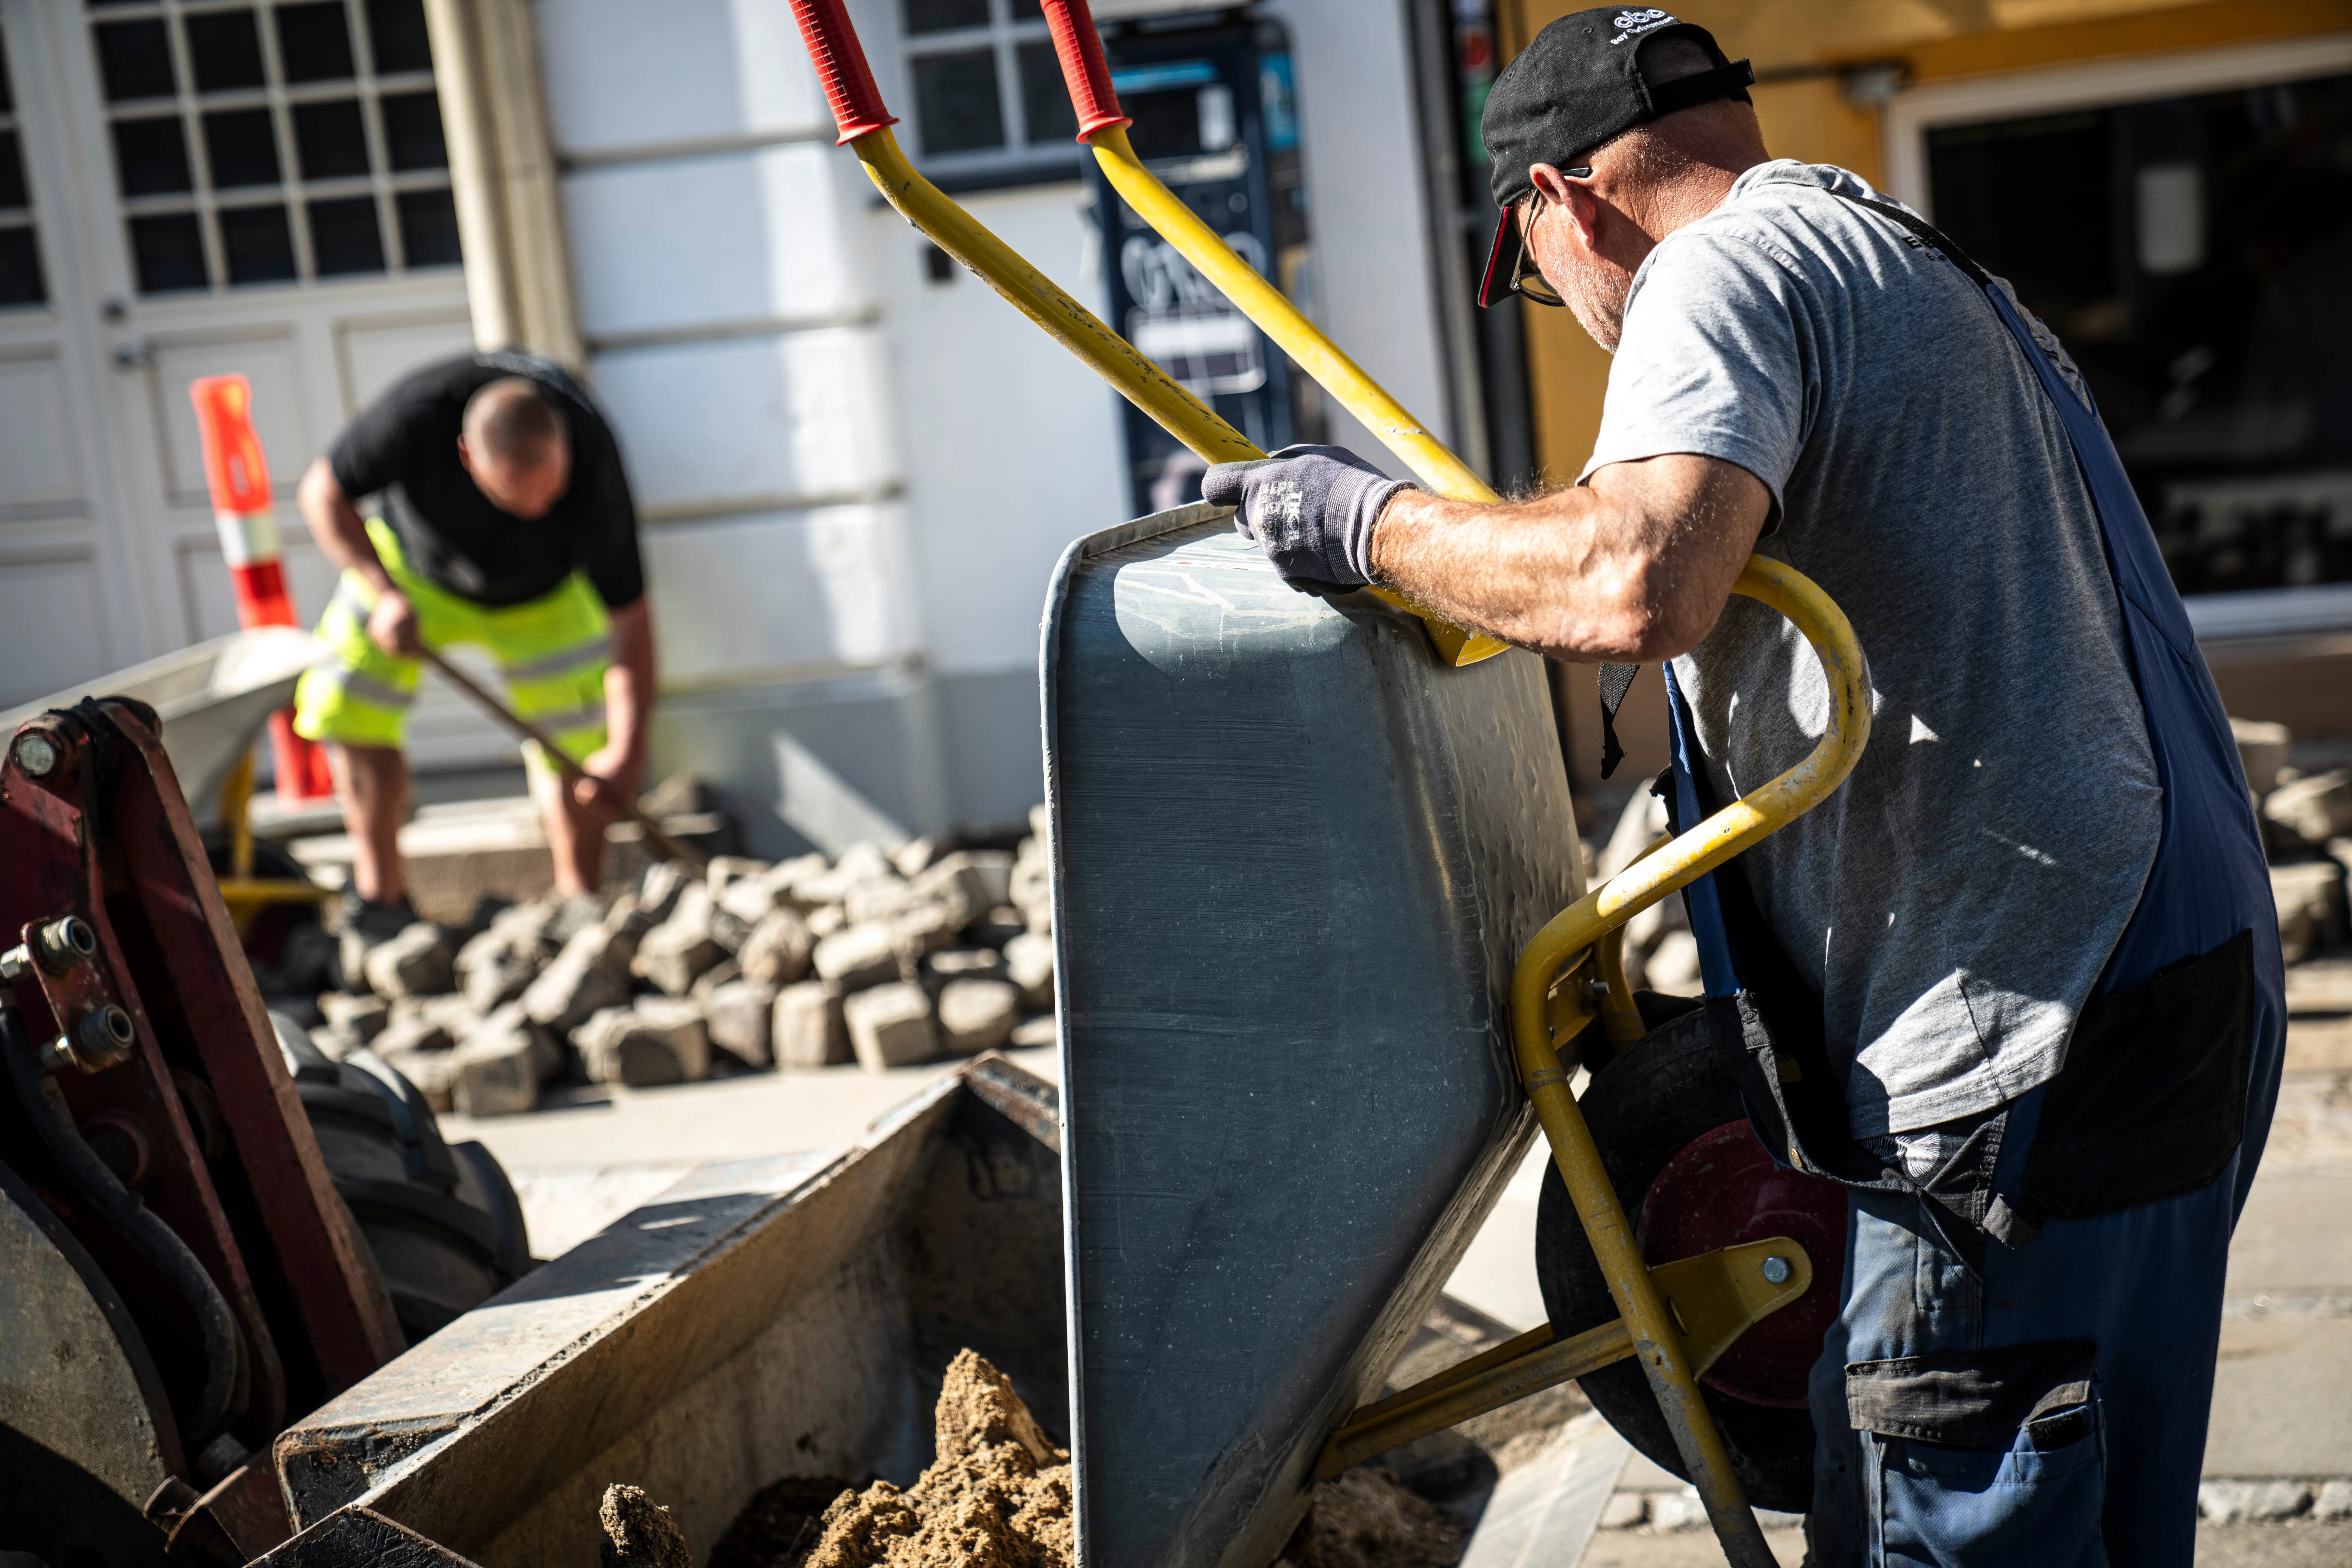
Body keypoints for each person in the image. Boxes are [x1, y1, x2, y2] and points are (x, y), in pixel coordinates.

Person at [1202, 9, 2283, 1565]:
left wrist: (1368, 528)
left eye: (1536, 277)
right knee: (2087, 1509)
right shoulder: (1904, 257)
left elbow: (1639, 575)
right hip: (2169, 976)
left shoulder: (1712, 278)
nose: (1575, 323)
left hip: (2026, 1031)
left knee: (1969, 1509)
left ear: (1564, 202)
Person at [292, 352, 656, 947]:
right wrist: (382, 593)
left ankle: (579, 907)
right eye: (518, 497)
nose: (539, 509)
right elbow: (321, 495)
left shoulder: (595, 466)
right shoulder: (419, 412)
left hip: (548, 597)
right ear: (468, 457)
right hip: (411, 575)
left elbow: (631, 622)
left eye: (551, 493)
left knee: (580, 734)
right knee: (347, 692)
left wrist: (628, 753)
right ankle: (382, 905)